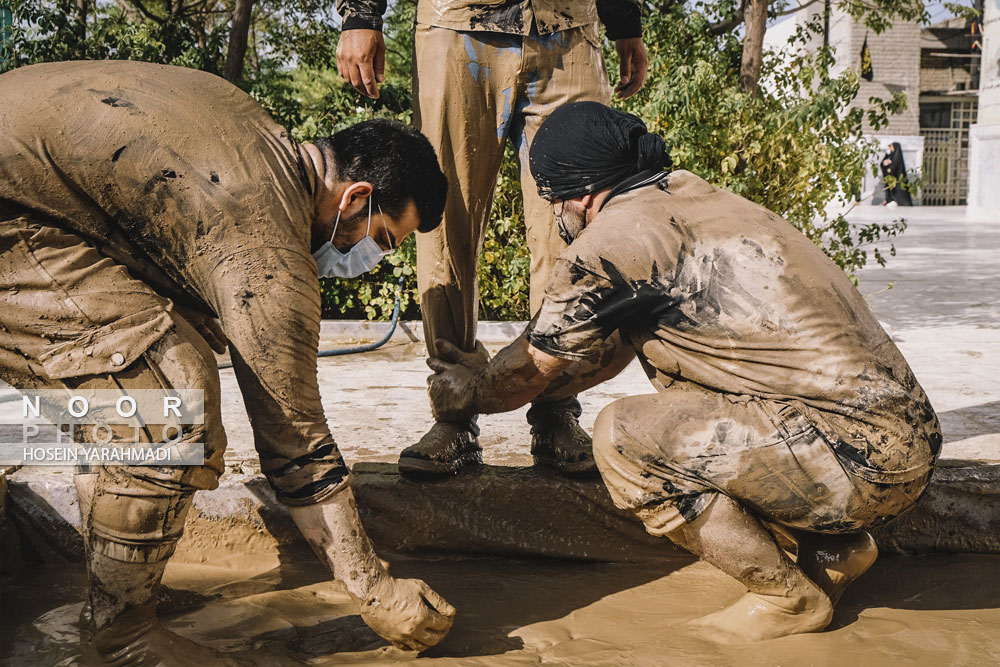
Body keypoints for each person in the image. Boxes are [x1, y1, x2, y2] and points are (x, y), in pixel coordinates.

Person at [425, 102, 942, 643]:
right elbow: (599, 354)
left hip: (850, 464)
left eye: (553, 200)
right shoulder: (695, 199)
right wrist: (505, 377)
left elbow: (533, 369)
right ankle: (836, 548)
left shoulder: (616, 239)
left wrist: (468, 395)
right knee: (696, 397)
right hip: (905, 446)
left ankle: (784, 598)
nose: (557, 214)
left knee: (624, 438)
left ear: (576, 194)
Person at [0, 60, 455, 664]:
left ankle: (114, 574)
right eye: (383, 239)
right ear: (356, 198)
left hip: (25, 198)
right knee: (170, 403)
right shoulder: (266, 237)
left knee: (143, 366)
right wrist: (372, 588)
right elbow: (294, 441)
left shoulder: (254, 138)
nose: (370, 258)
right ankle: (120, 634)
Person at [335, 0, 649, 477]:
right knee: (444, 220)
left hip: (570, 26)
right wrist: (361, 14)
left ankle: (557, 409)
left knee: (576, 222)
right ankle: (454, 414)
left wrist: (625, 19)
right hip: (456, 19)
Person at [880, 142, 913, 207]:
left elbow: (895, 166)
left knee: (899, 190)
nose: (890, 148)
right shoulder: (890, 155)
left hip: (897, 179)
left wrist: (890, 168)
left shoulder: (897, 156)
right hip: (890, 179)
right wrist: (885, 163)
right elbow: (883, 164)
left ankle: (897, 201)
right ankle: (889, 200)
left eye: (891, 147)